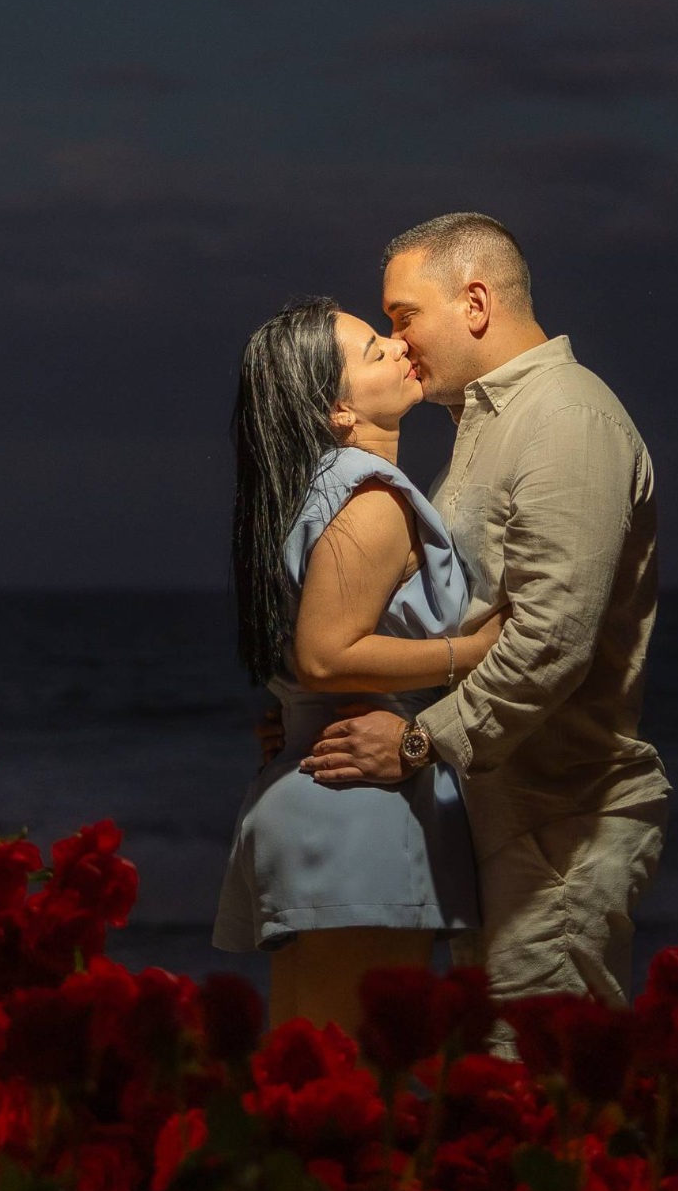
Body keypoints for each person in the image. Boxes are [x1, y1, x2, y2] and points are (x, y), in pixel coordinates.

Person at [301, 213, 667, 1011]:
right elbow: (455, 618)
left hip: (559, 827)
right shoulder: (488, 426)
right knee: (490, 1093)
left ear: (474, 302)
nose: (399, 343)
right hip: (496, 815)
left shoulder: (566, 420)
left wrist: (415, 740)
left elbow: (551, 642)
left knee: (542, 1090)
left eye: (405, 317)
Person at [214, 296, 504, 1036]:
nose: (402, 347)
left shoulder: (317, 495)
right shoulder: (369, 498)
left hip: (319, 793)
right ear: (338, 411)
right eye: (377, 350)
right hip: (358, 813)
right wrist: (469, 652)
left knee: (310, 1075)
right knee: (351, 1088)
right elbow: (324, 654)